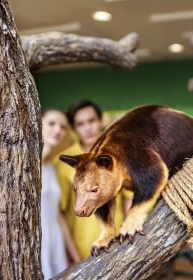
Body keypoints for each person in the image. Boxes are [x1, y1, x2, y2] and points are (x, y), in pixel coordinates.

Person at [54, 100, 130, 259]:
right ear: (74, 129)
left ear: (101, 121)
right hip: (82, 249)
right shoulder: (64, 163)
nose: (87, 128)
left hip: (117, 244)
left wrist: (130, 242)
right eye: (81, 124)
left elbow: (128, 201)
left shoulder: (118, 155)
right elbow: (59, 215)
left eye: (91, 121)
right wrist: (72, 257)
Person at [41, 110, 81, 279]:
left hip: (55, 239)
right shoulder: (25, 165)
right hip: (38, 239)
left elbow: (58, 216)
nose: (57, 130)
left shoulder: (51, 167)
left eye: (63, 127)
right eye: (51, 123)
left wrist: (76, 258)